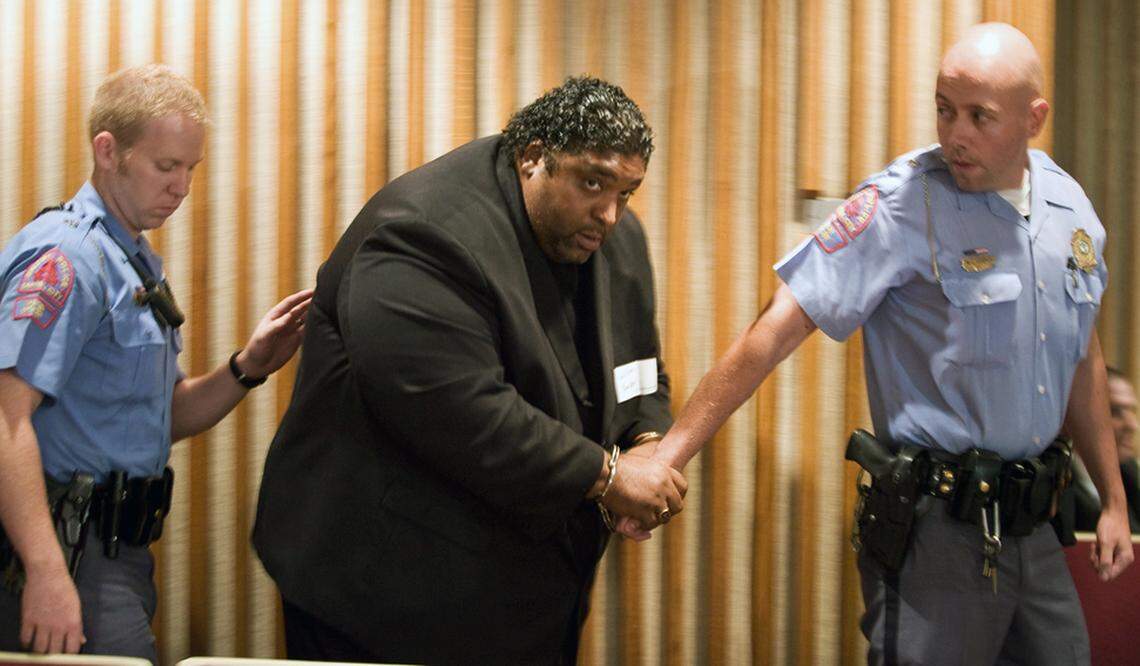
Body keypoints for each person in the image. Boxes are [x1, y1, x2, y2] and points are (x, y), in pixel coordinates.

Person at [620, 23, 1133, 665]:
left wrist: (1113, 499)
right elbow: (775, 329)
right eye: (945, 110)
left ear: (1034, 118)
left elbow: (1080, 352)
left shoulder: (1068, 207)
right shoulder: (900, 204)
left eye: (981, 116)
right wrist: (669, 454)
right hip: (938, 536)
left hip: (1034, 530)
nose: (956, 135)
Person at [252, 76, 685, 664]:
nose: (610, 214)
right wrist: (610, 477)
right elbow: (463, 414)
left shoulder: (612, 234)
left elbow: (637, 367)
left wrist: (647, 443)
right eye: (592, 182)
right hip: (385, 589)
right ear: (534, 157)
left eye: (627, 192)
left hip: (527, 591)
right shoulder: (422, 233)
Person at [0, 64, 312, 663]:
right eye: (166, 167)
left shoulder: (134, 262)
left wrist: (249, 366)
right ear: (108, 151)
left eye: (191, 169)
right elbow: (7, 414)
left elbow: (158, 418)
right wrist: (45, 571)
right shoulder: (67, 257)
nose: (182, 188)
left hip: (117, 550)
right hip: (64, 547)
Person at [1069, 367, 1140, 532]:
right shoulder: (1057, 483)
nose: (1132, 425)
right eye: (1115, 411)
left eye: (1132, 411)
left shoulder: (1128, 472)